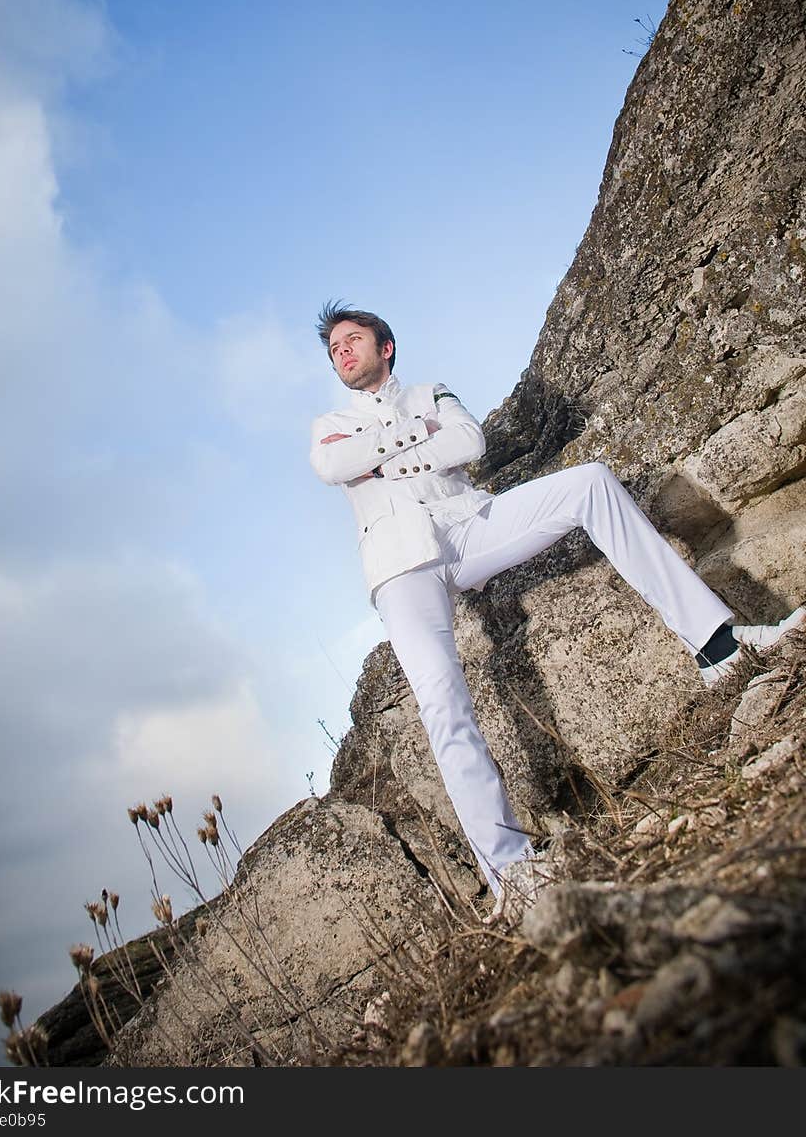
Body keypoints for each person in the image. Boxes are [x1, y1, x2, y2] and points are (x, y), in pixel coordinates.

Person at [309, 301, 805, 921]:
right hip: (399, 563)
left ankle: (720, 650)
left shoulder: (430, 390)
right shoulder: (329, 422)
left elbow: (471, 439)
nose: (342, 352)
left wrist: (379, 453)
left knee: (591, 481)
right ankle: (508, 870)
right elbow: (332, 464)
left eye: (352, 340)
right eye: (333, 349)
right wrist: (418, 437)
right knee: (442, 703)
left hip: (468, 527)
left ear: (386, 347)